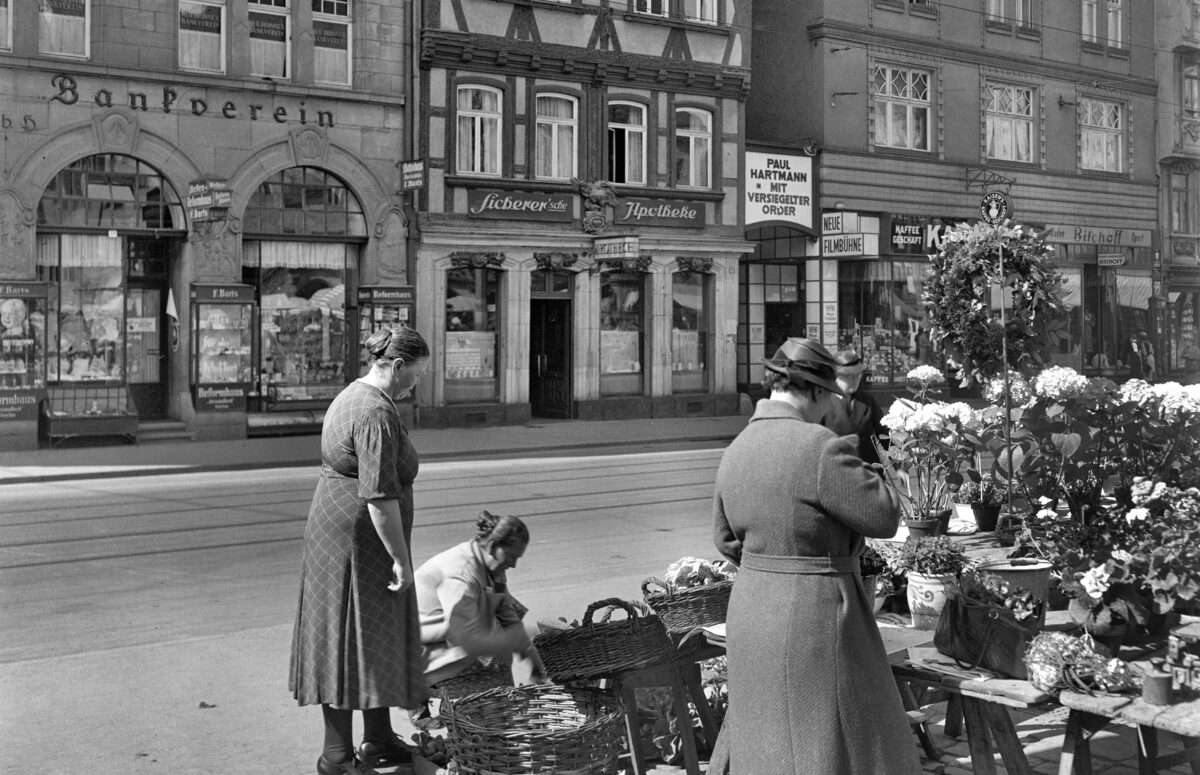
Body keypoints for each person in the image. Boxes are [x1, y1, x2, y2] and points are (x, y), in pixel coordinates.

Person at [712, 337, 922, 775]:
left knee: (767, 740)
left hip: (752, 610)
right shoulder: (821, 447)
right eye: (830, 397)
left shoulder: (736, 449)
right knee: (838, 738)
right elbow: (883, 515)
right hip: (817, 612)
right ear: (816, 391)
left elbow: (726, 539)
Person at [289, 324, 431, 775]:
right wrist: (400, 559)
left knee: (367, 636)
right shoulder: (376, 413)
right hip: (360, 543)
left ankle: (379, 738)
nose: (417, 383)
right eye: (417, 374)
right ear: (396, 365)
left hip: (338, 533)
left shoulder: (352, 395)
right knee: (350, 639)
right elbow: (380, 496)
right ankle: (336, 756)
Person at [415, 511, 545, 695]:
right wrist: (511, 643)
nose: (514, 564)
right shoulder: (461, 577)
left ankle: (496, 707)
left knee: (505, 627)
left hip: (451, 626)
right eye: (511, 557)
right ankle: (472, 709)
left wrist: (529, 653)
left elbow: (507, 612)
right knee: (493, 659)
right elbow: (466, 639)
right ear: (493, 545)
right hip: (420, 646)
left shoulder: (491, 564)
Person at [832, 349, 887, 467]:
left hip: (868, 471)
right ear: (835, 376)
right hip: (837, 472)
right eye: (849, 376)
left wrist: (899, 467)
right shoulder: (824, 402)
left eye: (858, 375)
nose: (855, 380)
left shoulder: (867, 400)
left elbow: (884, 432)